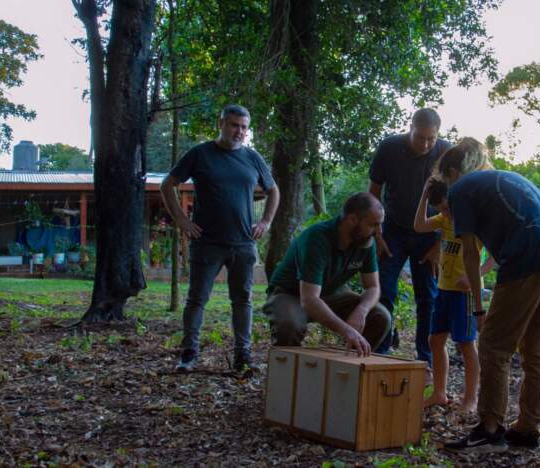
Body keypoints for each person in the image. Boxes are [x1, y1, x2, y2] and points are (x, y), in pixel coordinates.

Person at [439, 139, 540, 453]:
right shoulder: (505, 177)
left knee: (493, 345)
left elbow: (470, 255)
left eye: (445, 180)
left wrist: (478, 308)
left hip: (527, 258)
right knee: (537, 350)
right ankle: (527, 429)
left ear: (452, 172)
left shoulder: (460, 190)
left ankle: (489, 430)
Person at [161, 104, 280, 372]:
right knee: (196, 300)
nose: (239, 131)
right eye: (234, 125)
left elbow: (273, 190)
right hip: (207, 243)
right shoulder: (200, 154)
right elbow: (168, 184)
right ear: (221, 124)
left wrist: (266, 221)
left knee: (243, 301)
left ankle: (242, 356)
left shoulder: (253, 158)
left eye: (244, 127)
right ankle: (189, 354)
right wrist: (181, 219)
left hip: (243, 243)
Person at [368, 108, 451, 366]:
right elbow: (373, 192)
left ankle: (425, 359)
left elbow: (454, 203)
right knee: (384, 290)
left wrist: (439, 245)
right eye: (420, 137)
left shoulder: (446, 152)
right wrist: (376, 233)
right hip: (393, 230)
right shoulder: (389, 147)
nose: (425, 144)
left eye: (431, 139)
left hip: (430, 234)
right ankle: (380, 353)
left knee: (428, 297)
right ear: (410, 128)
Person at [262, 193, 391, 356]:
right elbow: (309, 300)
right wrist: (346, 330)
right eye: (374, 225)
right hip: (290, 293)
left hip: (331, 292)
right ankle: (286, 368)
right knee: (289, 325)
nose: (379, 231)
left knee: (380, 316)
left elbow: (373, 287)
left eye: (380, 224)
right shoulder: (316, 239)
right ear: (352, 219)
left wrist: (362, 310)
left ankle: (350, 366)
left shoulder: (366, 242)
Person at [413, 175, 495, 414]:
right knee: (435, 340)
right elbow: (419, 226)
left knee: (465, 344)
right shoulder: (444, 220)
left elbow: (495, 257)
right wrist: (424, 194)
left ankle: (471, 398)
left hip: (465, 293)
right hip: (443, 290)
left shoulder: (473, 223)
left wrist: (473, 275)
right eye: (441, 210)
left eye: (447, 208)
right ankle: (439, 393)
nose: (445, 214)